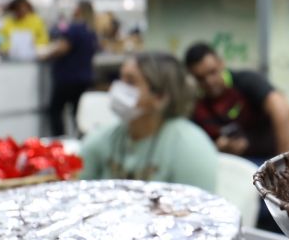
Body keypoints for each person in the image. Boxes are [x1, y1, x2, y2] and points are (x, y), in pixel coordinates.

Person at [79, 52, 217, 191]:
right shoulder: (103, 138)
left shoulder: (190, 147)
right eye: (121, 78)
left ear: (160, 97)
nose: (118, 88)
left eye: (131, 82)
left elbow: (199, 206)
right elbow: (77, 188)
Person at [184, 43, 289, 162]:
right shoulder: (195, 104)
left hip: (267, 159)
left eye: (212, 72)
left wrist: (285, 165)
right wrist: (218, 148)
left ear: (221, 63)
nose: (209, 81)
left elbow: (281, 109)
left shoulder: (246, 81)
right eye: (200, 78)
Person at [43, 1, 100, 136]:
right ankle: (80, 139)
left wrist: (46, 55)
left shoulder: (74, 29)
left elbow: (62, 48)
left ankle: (59, 139)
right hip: (84, 77)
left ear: (78, 10)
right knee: (78, 113)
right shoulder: (91, 31)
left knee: (56, 110)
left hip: (68, 78)